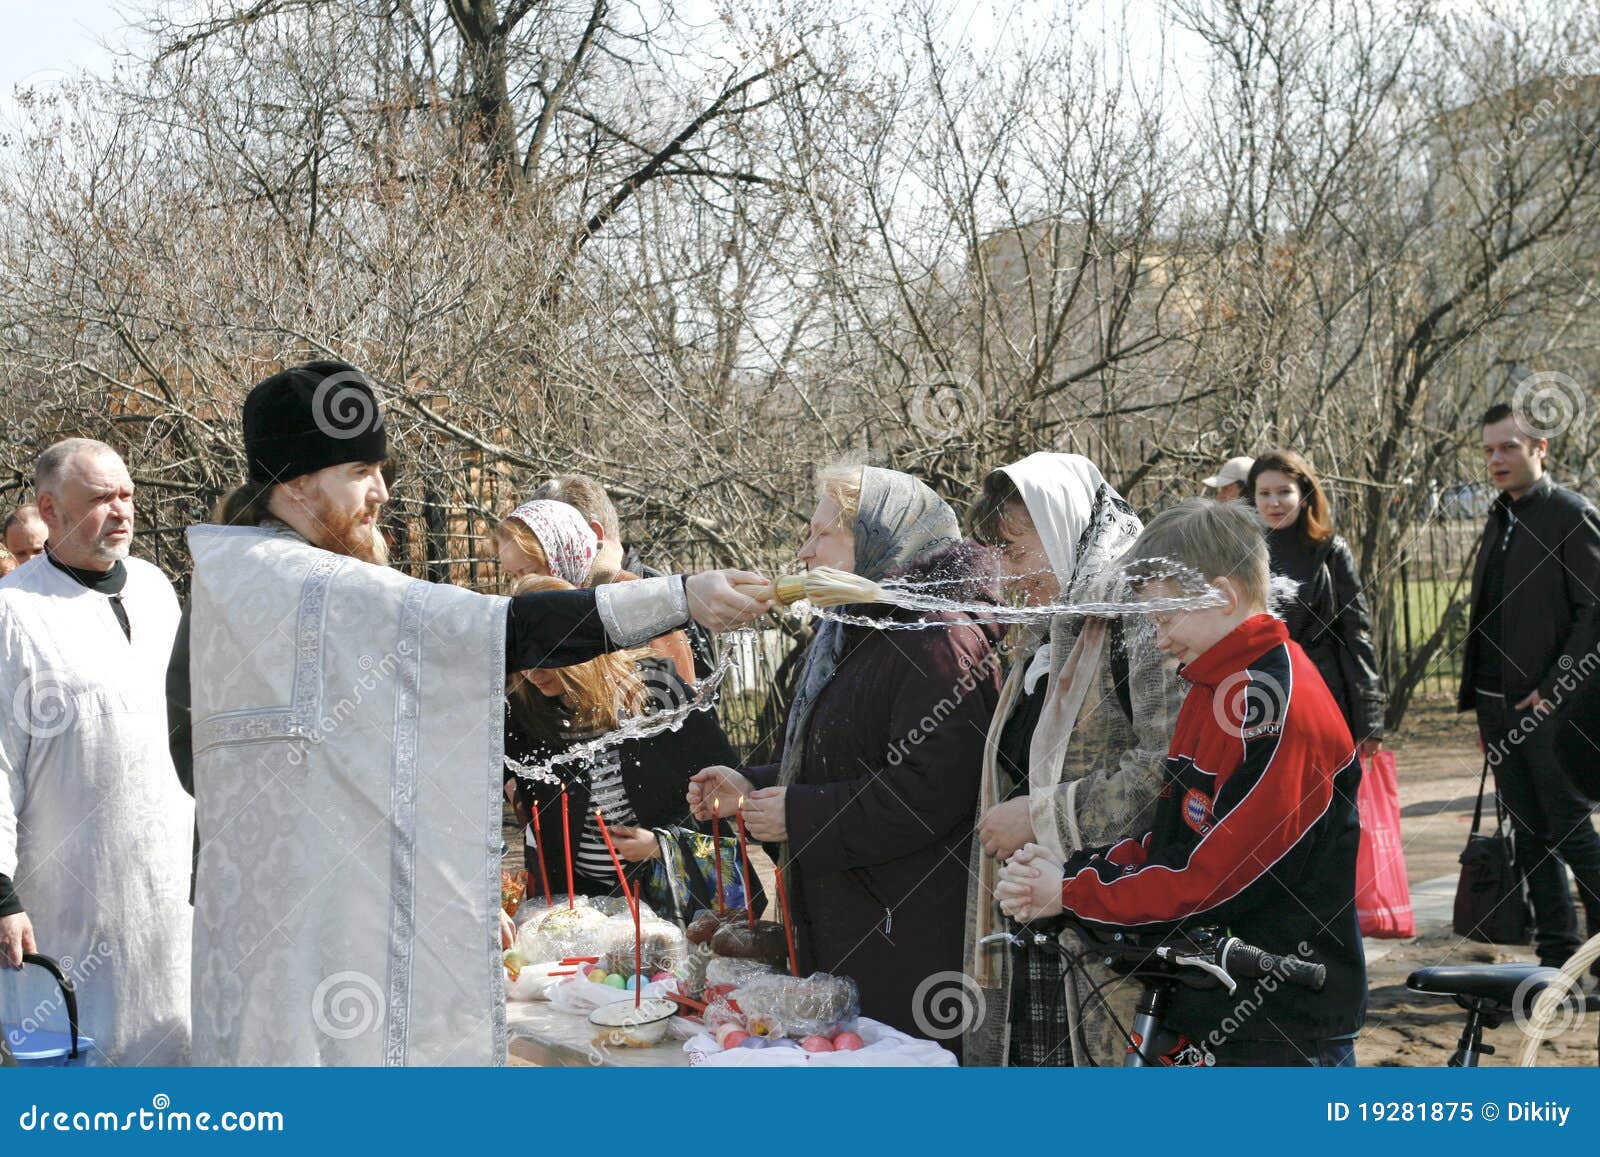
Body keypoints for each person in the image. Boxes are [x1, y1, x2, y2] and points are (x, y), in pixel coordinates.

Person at [169, 360, 770, 1065]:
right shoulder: (313, 583)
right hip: (323, 939)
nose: (383, 494)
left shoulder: (227, 584)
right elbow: (507, 630)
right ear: (296, 483)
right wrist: (678, 597)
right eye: (362, 471)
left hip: (272, 941)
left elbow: (198, 760)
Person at [997, 498, 1367, 1067]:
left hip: (1283, 1020)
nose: (1160, 638)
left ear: (1221, 596)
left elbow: (1215, 878)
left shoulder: (1272, 703)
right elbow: (1170, 839)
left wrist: (1069, 892)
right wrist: (1070, 871)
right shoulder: (1209, 688)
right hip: (1207, 1000)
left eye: (1166, 617)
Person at [687, 465, 1002, 1052]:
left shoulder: (939, 638)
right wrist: (749, 786)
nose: (803, 553)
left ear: (880, 539)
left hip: (908, 946)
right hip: (848, 927)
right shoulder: (851, 631)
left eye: (821, 535)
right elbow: (830, 762)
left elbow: (931, 792)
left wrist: (802, 815)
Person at [961, 452, 1184, 1066]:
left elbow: (1166, 764)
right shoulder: (1047, 627)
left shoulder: (1132, 612)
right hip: (1042, 923)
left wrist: (1042, 816)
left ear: (1060, 526)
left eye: (1015, 549)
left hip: (1111, 929)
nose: (1007, 574)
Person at [0, 439, 193, 1065]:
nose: (122, 511)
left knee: (177, 1060)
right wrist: (1, 896)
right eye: (101, 499)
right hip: (66, 901)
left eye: (128, 495)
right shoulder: (12, 612)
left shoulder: (157, 589)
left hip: (167, 894)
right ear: (49, 510)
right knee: (83, 1075)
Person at [503, 574, 740, 919]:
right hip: (575, 904)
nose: (531, 673)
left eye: (543, 655)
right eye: (521, 658)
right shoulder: (521, 709)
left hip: (663, 898)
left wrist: (660, 845)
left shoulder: (653, 685)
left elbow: (723, 781)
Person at [1460, 401, 1600, 973]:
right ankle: (1556, 958)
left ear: (1541, 449)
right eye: (1490, 449)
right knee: (1530, 835)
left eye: (1509, 447)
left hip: (1555, 711)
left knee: (1571, 833)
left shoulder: (1571, 514)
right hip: (1498, 709)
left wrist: (1552, 691)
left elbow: (1593, 613)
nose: (1497, 459)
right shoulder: (1501, 515)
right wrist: (1481, 708)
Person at [1247, 449, 1385, 754]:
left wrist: (1369, 720)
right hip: (1257, 702)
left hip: (1321, 699)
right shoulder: (1239, 555)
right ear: (1252, 499)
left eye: (1284, 491)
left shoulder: (1330, 552)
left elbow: (1357, 636)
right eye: (1264, 493)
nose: (1274, 502)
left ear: (1305, 495)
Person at [530, 474, 715, 680]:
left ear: (592, 535)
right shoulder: (560, 601)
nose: (546, 562)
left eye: (552, 543)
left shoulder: (673, 597)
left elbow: (695, 700)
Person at [495, 498, 697, 686]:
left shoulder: (632, 600)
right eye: (512, 575)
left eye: (530, 571)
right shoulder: (538, 621)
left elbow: (672, 695)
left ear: (564, 557)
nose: (519, 586)